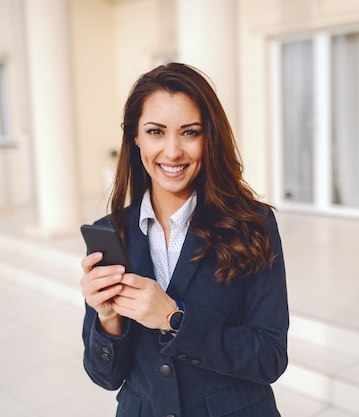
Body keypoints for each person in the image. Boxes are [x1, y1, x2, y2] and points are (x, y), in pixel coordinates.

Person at [80, 62, 289, 417]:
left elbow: (269, 358)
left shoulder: (253, 224)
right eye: (156, 132)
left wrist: (174, 319)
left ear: (210, 137)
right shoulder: (112, 232)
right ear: (135, 136)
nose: (173, 151)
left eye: (190, 132)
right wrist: (106, 320)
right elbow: (104, 376)